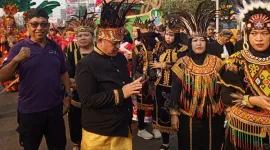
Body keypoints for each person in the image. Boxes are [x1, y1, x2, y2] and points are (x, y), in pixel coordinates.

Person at [0, 8, 71, 149]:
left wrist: (68, 94)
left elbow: (63, 73)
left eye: (43, 24)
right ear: (28, 26)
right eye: (34, 24)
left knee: (58, 146)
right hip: (29, 111)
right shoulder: (18, 48)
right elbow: (3, 76)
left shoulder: (55, 47)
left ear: (48, 26)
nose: (39, 28)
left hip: (54, 109)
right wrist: (16, 60)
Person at [75, 1, 140, 149]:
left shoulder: (120, 58)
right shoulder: (86, 64)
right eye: (114, 43)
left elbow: (124, 82)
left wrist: (133, 93)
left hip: (122, 126)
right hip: (100, 133)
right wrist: (122, 93)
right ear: (100, 40)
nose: (118, 46)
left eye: (119, 42)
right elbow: (87, 100)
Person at [169, 4, 225, 150]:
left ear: (206, 42)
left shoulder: (217, 62)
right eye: (195, 40)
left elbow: (225, 87)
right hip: (189, 117)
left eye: (202, 40)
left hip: (215, 117)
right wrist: (174, 113)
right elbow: (175, 89)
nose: (199, 43)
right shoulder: (182, 63)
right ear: (190, 43)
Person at [218, 1, 270, 149]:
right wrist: (251, 100)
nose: (259, 38)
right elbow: (225, 96)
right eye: (254, 33)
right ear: (247, 35)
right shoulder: (236, 60)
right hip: (245, 131)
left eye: (265, 33)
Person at [150, 18, 188, 150]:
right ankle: (165, 143)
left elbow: (183, 64)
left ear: (176, 36)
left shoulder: (183, 48)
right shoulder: (159, 47)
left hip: (178, 87)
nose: (168, 37)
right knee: (163, 116)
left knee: (179, 116)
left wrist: (164, 65)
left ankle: (182, 143)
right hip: (161, 86)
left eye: (171, 35)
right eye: (166, 34)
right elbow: (152, 63)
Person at [64, 11, 96, 150]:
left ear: (92, 37)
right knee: (76, 120)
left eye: (86, 35)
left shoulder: (99, 53)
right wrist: (72, 81)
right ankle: (78, 143)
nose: (82, 38)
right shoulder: (71, 54)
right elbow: (67, 74)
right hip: (77, 96)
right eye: (80, 35)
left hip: (97, 94)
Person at [132, 17, 162, 140]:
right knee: (141, 105)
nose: (148, 39)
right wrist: (134, 82)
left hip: (156, 80)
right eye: (146, 36)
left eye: (151, 36)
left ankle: (155, 126)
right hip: (141, 80)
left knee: (155, 104)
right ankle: (141, 128)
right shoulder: (137, 48)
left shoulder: (159, 47)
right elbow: (134, 68)